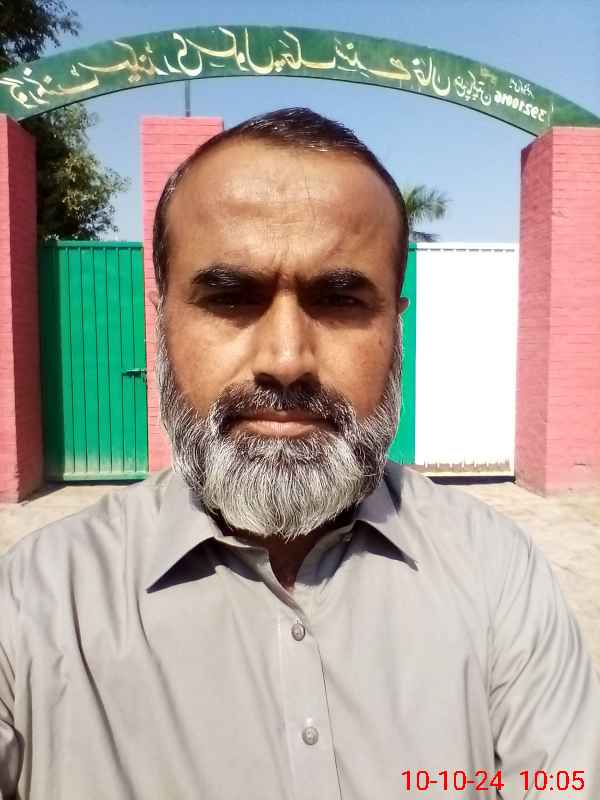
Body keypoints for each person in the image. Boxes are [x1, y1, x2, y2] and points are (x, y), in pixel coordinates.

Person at [1, 107, 599, 800]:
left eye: (340, 300)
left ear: (395, 330)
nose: (286, 360)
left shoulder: (496, 574)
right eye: (230, 297)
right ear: (163, 323)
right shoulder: (36, 602)